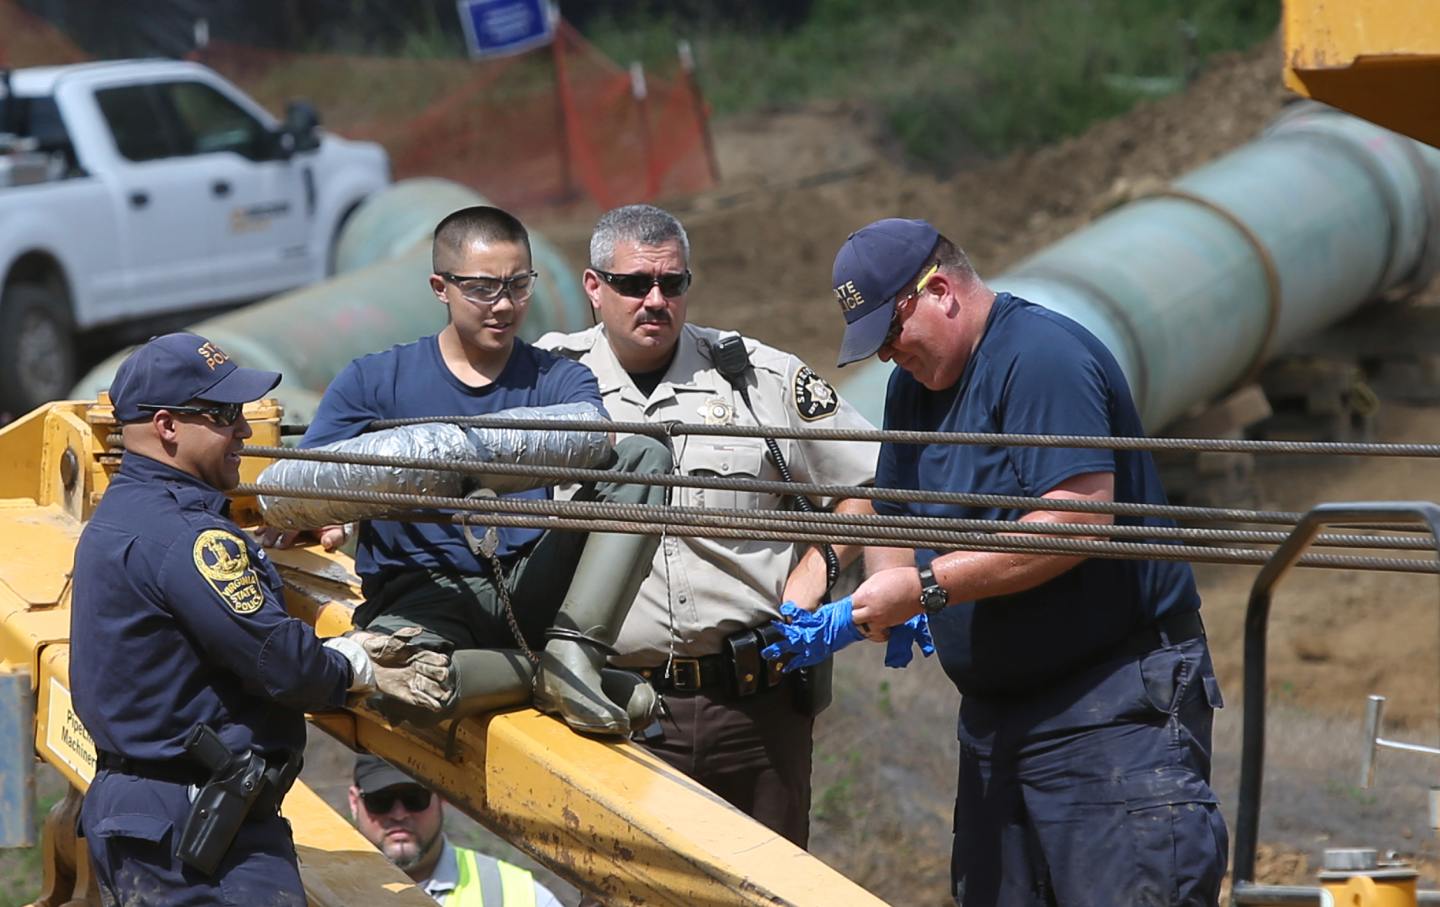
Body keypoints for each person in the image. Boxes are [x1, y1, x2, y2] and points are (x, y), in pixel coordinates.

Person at [827, 218, 1228, 906]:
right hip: (997, 719)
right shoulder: (912, 389)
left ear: (940, 290)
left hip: (1109, 709)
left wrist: (924, 587)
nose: (890, 356)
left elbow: (1078, 518)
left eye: (892, 334)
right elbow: (891, 505)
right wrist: (877, 595)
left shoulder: (1038, 357)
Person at [536, 204, 879, 847]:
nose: (656, 300)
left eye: (674, 283)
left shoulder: (752, 379)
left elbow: (865, 488)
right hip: (609, 709)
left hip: (754, 710)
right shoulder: (543, 384)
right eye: (635, 284)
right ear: (593, 287)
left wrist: (817, 572)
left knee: (767, 887)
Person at [70, 332, 451, 905]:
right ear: (168, 426)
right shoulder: (191, 540)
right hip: (201, 832)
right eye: (224, 414)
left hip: (153, 820)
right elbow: (287, 665)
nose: (245, 430)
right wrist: (357, 663)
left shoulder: (122, 518)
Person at [295, 205, 672, 737]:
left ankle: (576, 651)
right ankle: (550, 672)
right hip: (424, 594)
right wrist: (321, 518)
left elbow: (596, 435)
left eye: (519, 286)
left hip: (529, 578)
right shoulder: (372, 382)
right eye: (482, 289)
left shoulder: (560, 379)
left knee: (646, 456)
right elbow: (311, 484)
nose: (504, 305)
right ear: (439, 287)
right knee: (409, 686)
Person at [349, 754, 564, 907]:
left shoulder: (518, 895)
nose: (399, 814)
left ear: (443, 795)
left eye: (414, 798)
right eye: (380, 801)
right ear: (354, 801)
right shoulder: (320, 886)